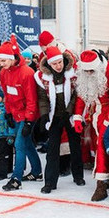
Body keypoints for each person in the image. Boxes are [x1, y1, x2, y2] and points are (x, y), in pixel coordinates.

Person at [0, 38, 42, 191]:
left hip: (27, 114)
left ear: (12, 58)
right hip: (14, 113)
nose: (1, 63)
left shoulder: (27, 72)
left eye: (3, 60)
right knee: (26, 144)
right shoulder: (3, 72)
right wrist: (8, 113)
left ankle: (16, 178)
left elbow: (32, 99)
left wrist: (28, 121)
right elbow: (6, 93)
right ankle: (36, 171)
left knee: (19, 145)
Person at [34, 46, 83, 194]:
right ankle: (50, 182)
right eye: (55, 63)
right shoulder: (43, 78)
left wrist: (70, 111)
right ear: (49, 64)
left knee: (75, 147)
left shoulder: (72, 74)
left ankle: (78, 176)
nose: (58, 66)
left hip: (70, 115)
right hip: (54, 117)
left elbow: (76, 94)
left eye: (60, 62)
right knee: (52, 150)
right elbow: (42, 99)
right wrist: (44, 116)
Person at [73, 50, 109, 201]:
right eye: (86, 71)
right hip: (95, 113)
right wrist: (78, 117)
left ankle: (101, 184)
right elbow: (82, 95)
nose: (89, 73)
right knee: (102, 146)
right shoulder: (85, 74)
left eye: (91, 70)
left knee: (102, 146)